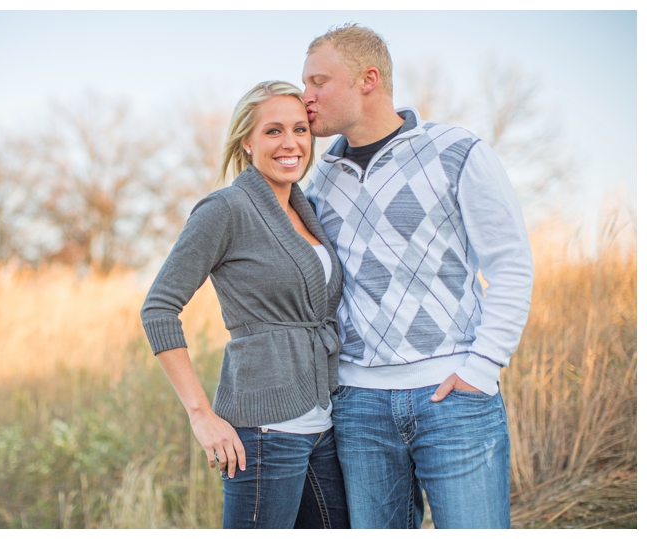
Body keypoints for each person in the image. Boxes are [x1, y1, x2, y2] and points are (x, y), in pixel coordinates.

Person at [301, 24, 534, 529]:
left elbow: (510, 263)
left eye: (319, 81)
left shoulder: (456, 150)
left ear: (368, 78)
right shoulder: (318, 182)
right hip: (359, 407)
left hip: (452, 398)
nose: (306, 97)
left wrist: (482, 367)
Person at [140, 81, 349, 529]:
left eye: (299, 129)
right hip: (264, 432)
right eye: (273, 131)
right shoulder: (225, 209)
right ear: (247, 143)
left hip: (323, 423)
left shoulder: (306, 209)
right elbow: (158, 308)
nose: (290, 143)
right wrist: (201, 415)